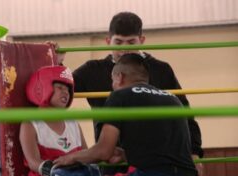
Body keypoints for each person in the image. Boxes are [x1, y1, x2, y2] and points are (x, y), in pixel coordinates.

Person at [72, 11, 203, 165]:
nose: (124, 48)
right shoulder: (92, 70)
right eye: (118, 42)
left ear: (142, 40)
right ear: (108, 41)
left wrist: (194, 152)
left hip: (156, 162)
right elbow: (60, 88)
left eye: (131, 42)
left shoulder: (161, 69)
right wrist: (55, 61)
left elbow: (184, 113)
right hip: (112, 162)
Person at [54, 53, 198, 176]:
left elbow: (104, 152)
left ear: (119, 77)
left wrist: (71, 157)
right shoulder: (173, 100)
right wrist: (127, 155)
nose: (113, 85)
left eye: (112, 80)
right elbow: (166, 152)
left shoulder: (120, 95)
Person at [19, 66, 100, 176]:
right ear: (41, 88)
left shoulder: (72, 123)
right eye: (60, 88)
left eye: (68, 89)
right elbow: (33, 161)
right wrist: (55, 171)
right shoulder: (31, 123)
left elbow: (85, 153)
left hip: (76, 173)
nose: (66, 92)